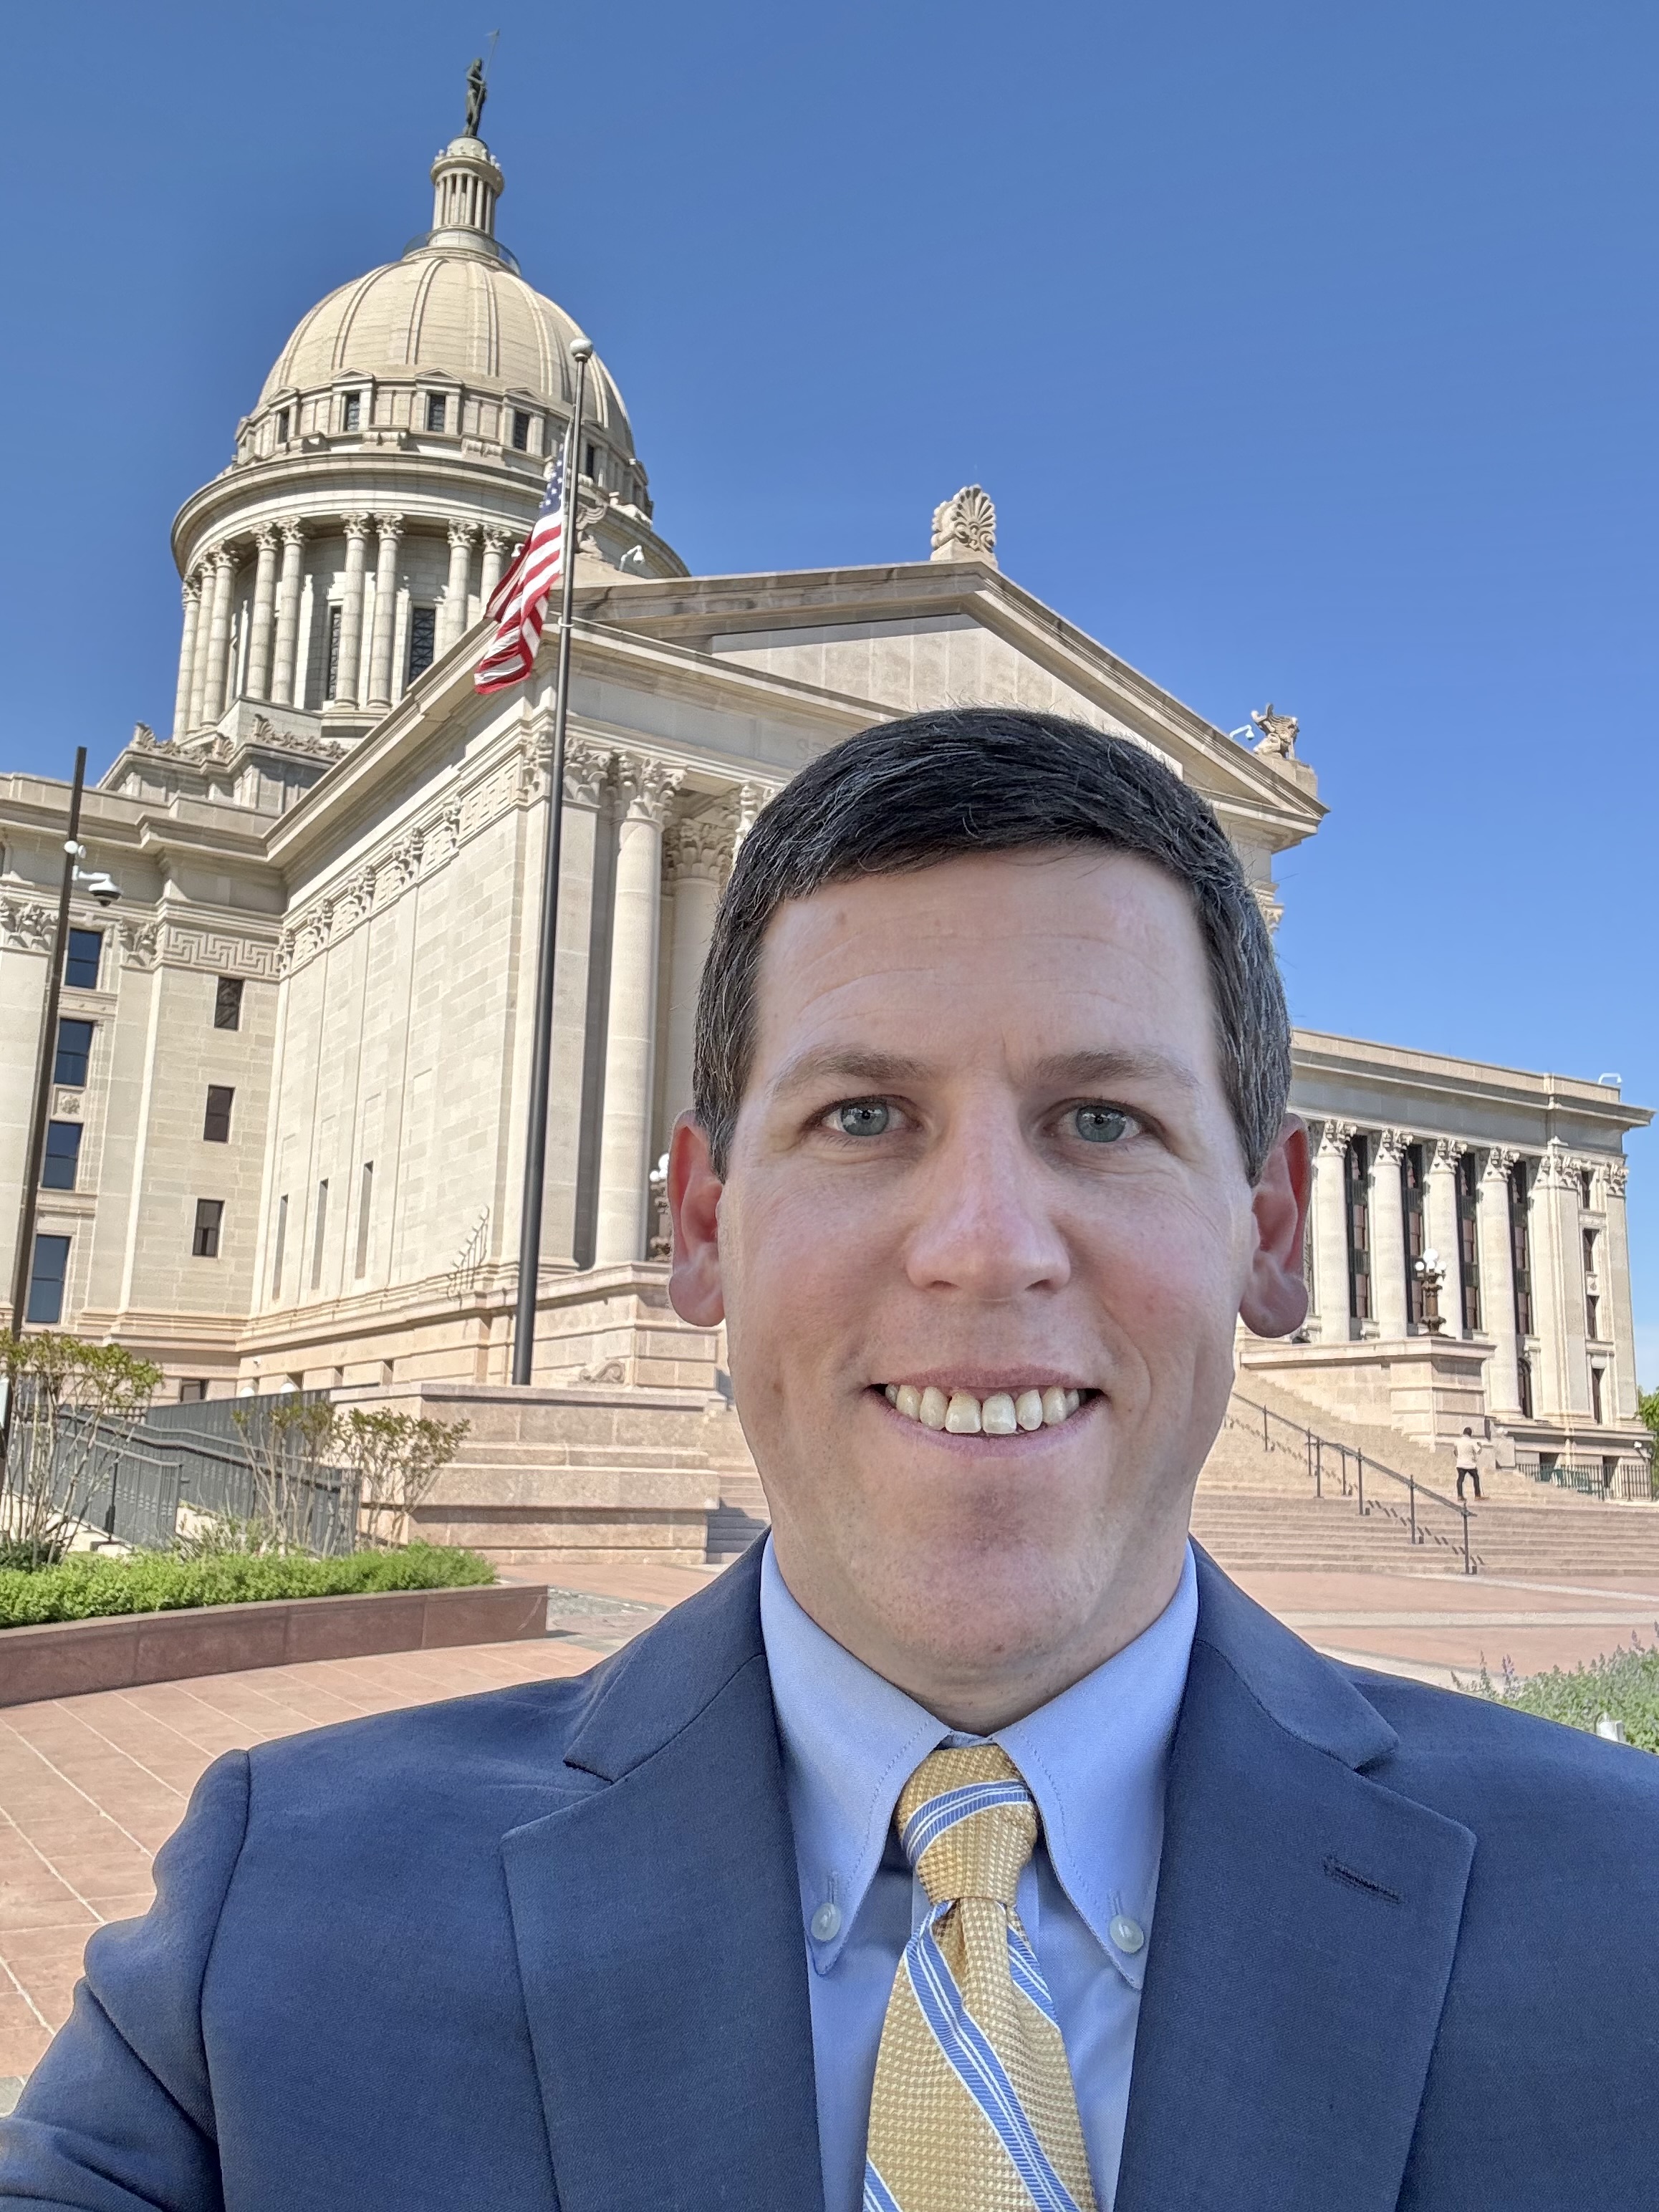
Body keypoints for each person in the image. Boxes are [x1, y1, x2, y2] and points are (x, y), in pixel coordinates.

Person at [3, 708, 1655, 2211]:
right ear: (700, 1227)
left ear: (1269, 1230)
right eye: (862, 1116)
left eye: (1102, 1118)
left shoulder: (1624, 1912)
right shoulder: (281, 1914)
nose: (982, 1248)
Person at [1454, 1425, 1484, 1502]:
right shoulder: (1472, 1442)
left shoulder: (1457, 1441)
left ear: (1463, 1433)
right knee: (1476, 1478)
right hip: (1470, 1464)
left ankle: (1460, 1496)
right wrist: (1480, 1446)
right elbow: (1478, 1451)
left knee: (1460, 1479)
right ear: (1470, 1434)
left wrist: (1459, 1457)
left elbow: (1455, 1452)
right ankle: (1477, 1496)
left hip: (1460, 1464)